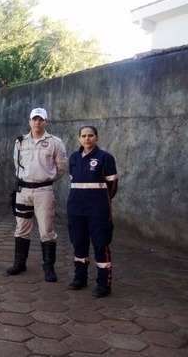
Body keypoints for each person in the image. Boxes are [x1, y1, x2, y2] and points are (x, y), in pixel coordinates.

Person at [7, 107, 68, 282]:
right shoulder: (20, 142)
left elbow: (61, 167)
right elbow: (16, 162)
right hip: (23, 191)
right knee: (21, 228)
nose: (37, 122)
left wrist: (45, 179)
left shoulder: (55, 142)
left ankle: (48, 267)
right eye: (34, 119)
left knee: (46, 230)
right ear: (29, 121)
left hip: (44, 191)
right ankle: (20, 263)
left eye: (41, 119)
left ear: (46, 122)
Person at [67, 125, 118, 297]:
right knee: (79, 244)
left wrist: (100, 202)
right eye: (83, 136)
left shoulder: (105, 158)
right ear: (79, 138)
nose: (87, 139)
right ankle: (80, 279)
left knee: (100, 244)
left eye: (90, 135)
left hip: (98, 211)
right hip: (76, 209)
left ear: (96, 137)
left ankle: (104, 284)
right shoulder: (74, 158)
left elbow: (112, 186)